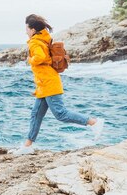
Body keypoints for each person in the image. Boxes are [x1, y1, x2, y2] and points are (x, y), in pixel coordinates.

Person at [10, 14, 104, 155]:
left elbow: (40, 58)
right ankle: (28, 146)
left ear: (33, 29)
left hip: (49, 84)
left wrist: (30, 60)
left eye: (27, 29)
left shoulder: (35, 42)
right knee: (36, 115)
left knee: (61, 114)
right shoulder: (43, 39)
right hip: (45, 84)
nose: (26, 32)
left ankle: (93, 122)